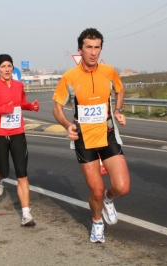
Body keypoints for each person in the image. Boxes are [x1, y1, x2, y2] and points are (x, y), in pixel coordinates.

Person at [52, 28, 130, 243]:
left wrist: (118, 111)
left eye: (97, 47)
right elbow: (57, 107)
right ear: (80, 49)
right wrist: (67, 125)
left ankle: (109, 199)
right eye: (89, 47)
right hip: (84, 140)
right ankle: (97, 222)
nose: (93, 52)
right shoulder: (70, 77)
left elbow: (119, 90)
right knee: (95, 191)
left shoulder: (109, 71)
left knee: (122, 187)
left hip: (108, 134)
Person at [0, 54, 40, 226]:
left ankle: (26, 214)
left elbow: (20, 103)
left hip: (18, 133)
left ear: (13, 67)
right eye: (3, 66)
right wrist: (2, 109)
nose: (7, 69)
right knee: (4, 170)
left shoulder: (19, 85)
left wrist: (31, 106)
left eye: (9, 65)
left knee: (22, 173)